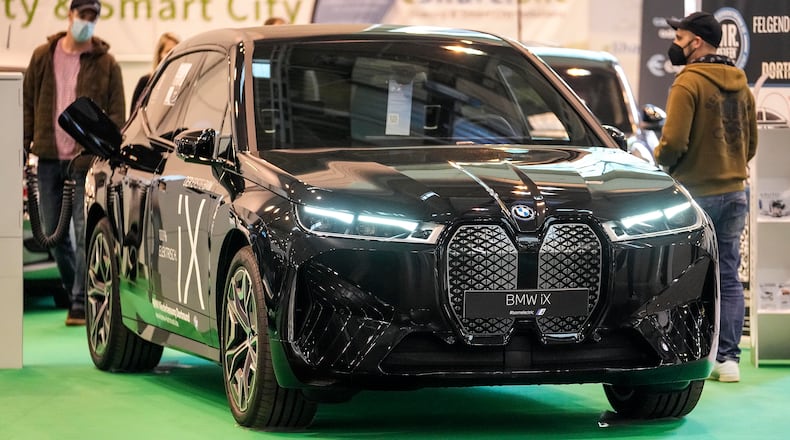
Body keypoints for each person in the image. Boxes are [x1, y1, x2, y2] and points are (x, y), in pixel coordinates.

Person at [654, 11, 758, 382]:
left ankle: (689, 354)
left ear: (696, 42)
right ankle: (728, 359)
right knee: (728, 275)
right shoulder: (741, 85)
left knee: (685, 277)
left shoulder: (688, 83)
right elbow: (750, 145)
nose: (675, 44)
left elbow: (674, 143)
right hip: (735, 192)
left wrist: (657, 163)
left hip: (695, 194)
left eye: (680, 37)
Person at [23, 0, 125, 326]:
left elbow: (117, 115)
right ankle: (73, 289)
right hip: (49, 157)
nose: (88, 22)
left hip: (86, 161)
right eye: (83, 15)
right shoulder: (42, 56)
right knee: (50, 235)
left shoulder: (107, 64)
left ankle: (80, 302)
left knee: (84, 232)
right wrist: (24, 145)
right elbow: (28, 102)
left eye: (93, 17)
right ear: (70, 15)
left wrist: (106, 149)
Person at [130, 32, 180, 114]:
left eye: (175, 51)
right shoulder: (146, 82)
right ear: (159, 54)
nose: (172, 55)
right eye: (168, 51)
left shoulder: (182, 84)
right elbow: (134, 116)